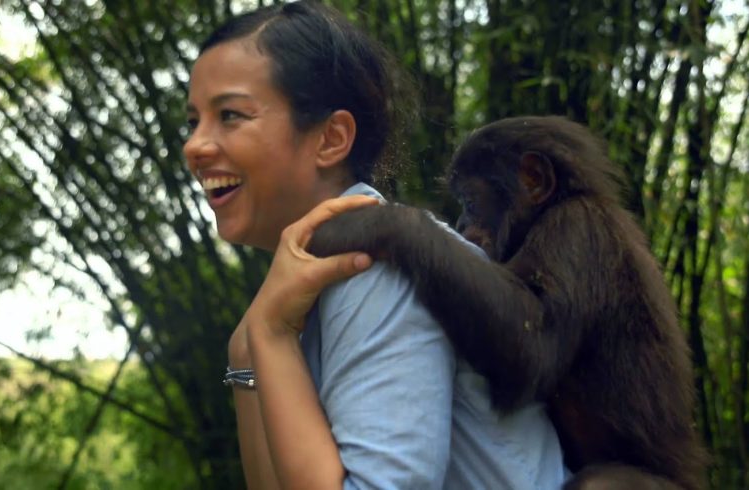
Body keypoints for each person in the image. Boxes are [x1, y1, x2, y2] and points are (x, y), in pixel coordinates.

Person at [183, 1, 569, 488]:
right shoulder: (303, 287)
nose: (195, 146)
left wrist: (271, 336)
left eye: (230, 115)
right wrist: (249, 351)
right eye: (192, 122)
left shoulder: (378, 265)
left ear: (331, 138)